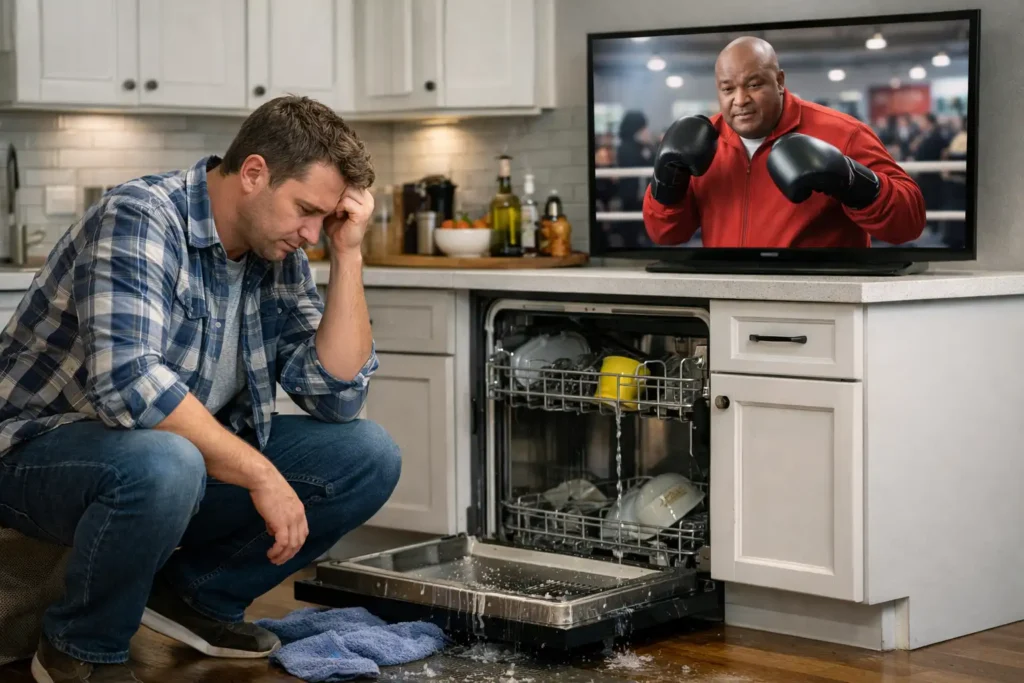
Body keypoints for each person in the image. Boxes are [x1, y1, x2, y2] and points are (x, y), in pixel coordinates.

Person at [0, 95, 401, 682]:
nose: (312, 233)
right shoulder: (141, 215)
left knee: (368, 454)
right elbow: (129, 387)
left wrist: (349, 252)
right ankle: (77, 652)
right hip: (35, 455)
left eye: (326, 218)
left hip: (171, 462)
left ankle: (194, 599)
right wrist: (262, 474)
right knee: (167, 460)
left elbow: (335, 396)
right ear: (254, 173)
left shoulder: (277, 248)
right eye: (307, 211)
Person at [642, 37, 927, 248]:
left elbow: (909, 222)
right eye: (728, 89)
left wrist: (852, 179)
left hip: (822, 300)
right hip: (729, 297)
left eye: (754, 85)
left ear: (779, 81)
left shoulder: (843, 133)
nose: (740, 100)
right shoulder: (702, 141)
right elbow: (665, 234)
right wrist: (667, 184)